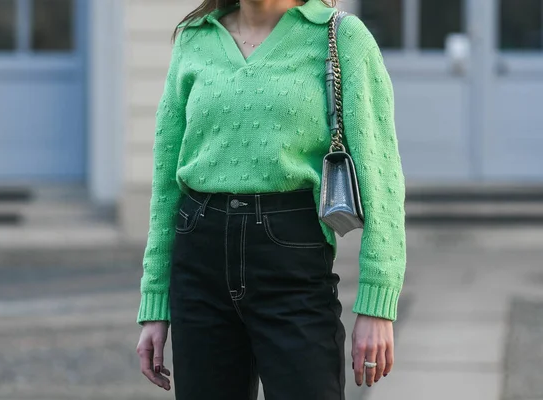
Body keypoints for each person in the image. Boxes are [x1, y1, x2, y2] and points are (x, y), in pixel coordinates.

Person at [135, 0, 406, 399]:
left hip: (292, 264)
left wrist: (377, 303)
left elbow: (381, 176)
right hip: (198, 262)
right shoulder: (195, 38)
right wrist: (155, 302)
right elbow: (165, 186)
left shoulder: (342, 37)